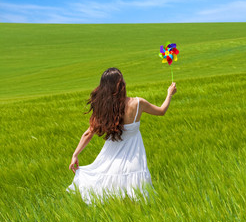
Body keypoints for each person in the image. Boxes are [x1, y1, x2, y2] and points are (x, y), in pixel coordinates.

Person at [66, 67, 177, 205]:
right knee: (137, 197)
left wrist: (75, 154)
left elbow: (89, 132)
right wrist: (169, 94)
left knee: (110, 194)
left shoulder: (103, 107)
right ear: (121, 84)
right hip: (134, 157)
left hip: (110, 157)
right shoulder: (138, 103)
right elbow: (161, 111)